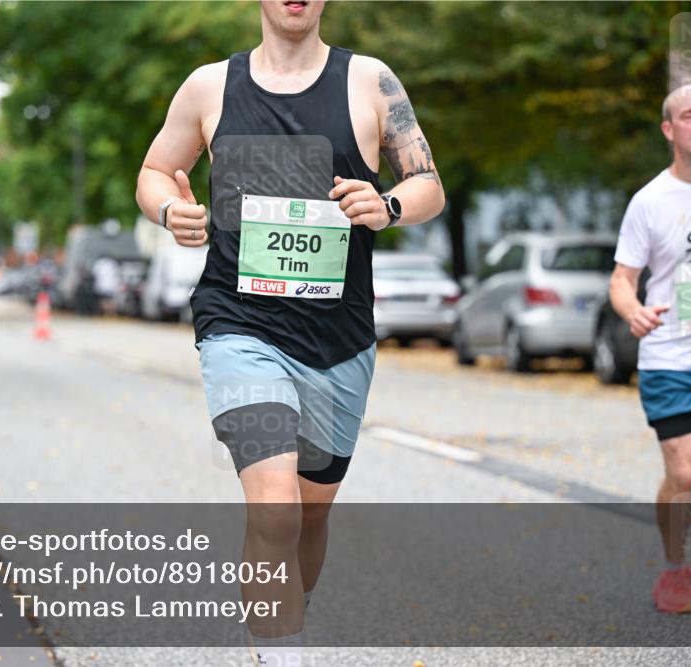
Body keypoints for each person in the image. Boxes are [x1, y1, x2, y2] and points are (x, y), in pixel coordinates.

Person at [136, 1, 444, 662]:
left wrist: (387, 205)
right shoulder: (209, 87)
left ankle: (274, 629)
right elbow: (155, 169)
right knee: (273, 508)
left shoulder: (370, 82)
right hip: (238, 326)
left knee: (307, 518)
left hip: (340, 341)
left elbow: (427, 184)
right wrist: (169, 208)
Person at [610, 84, 691, 614]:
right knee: (681, 475)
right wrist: (632, 310)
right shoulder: (651, 201)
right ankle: (674, 570)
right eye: (690, 115)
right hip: (670, 360)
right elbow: (621, 279)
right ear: (670, 130)